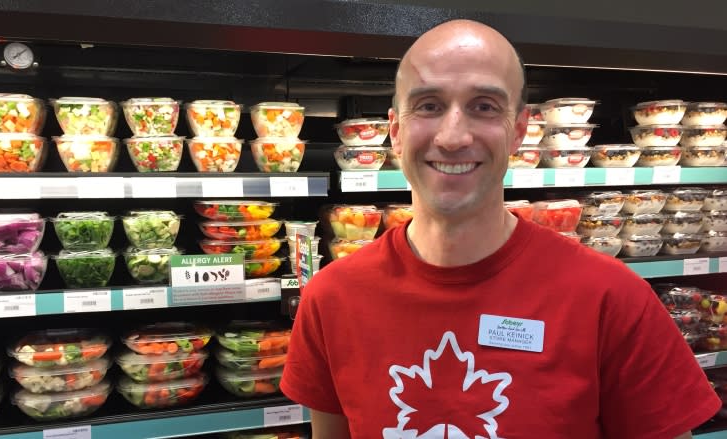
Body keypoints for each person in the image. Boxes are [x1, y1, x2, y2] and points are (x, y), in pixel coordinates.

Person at [280, 19, 719, 439]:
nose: (453, 136)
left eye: (484, 107)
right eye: (428, 105)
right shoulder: (332, 299)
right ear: (395, 131)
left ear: (519, 131)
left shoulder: (613, 301)